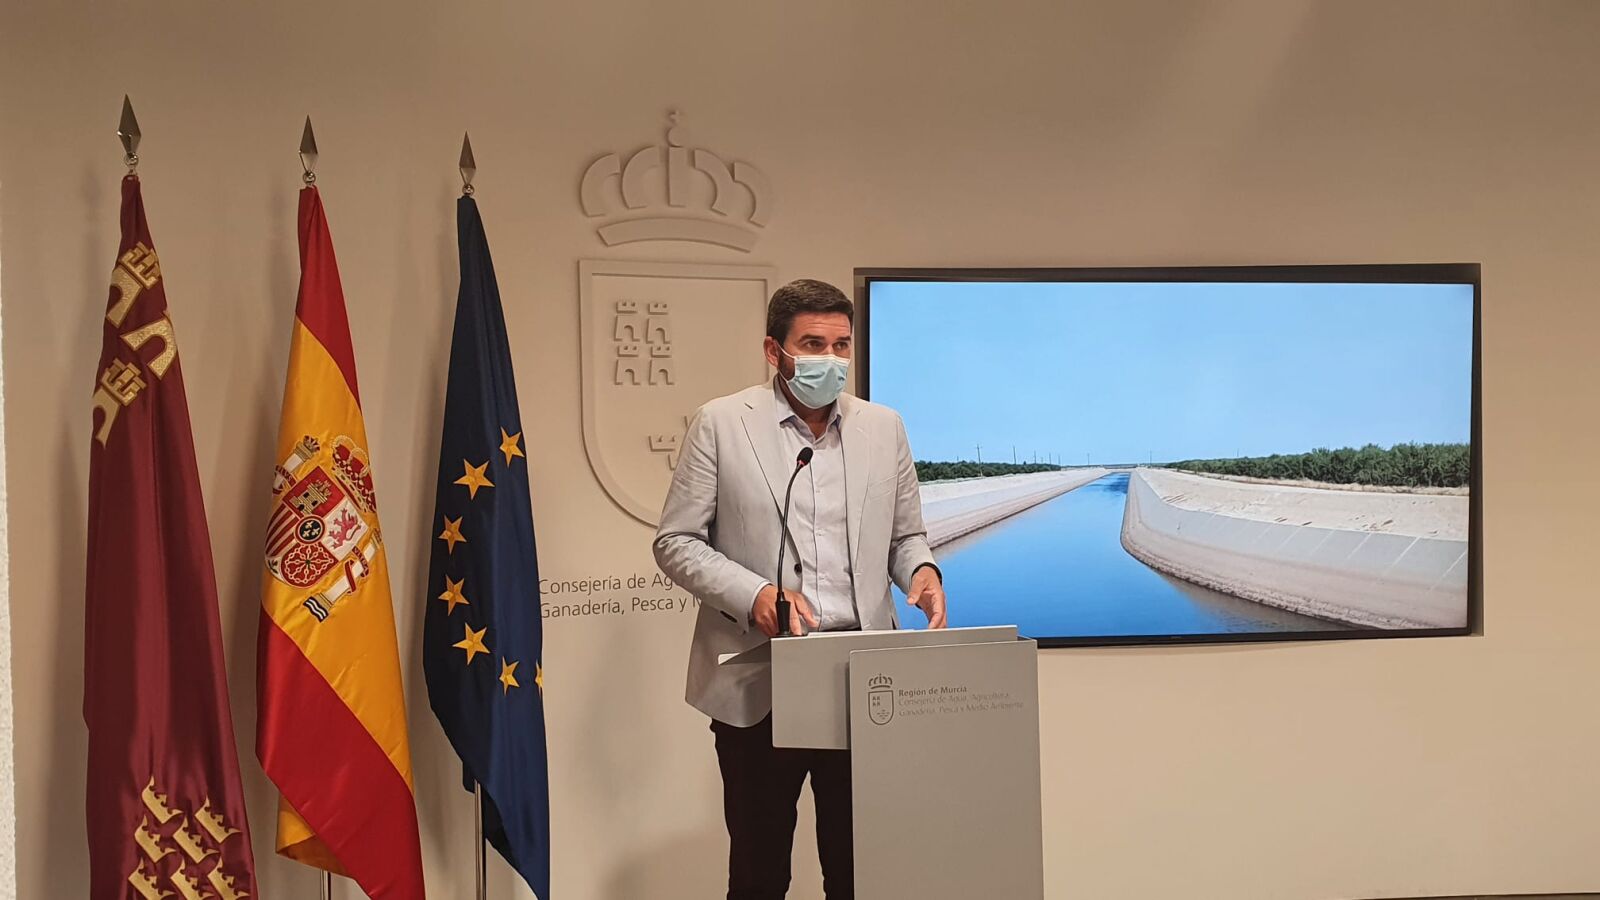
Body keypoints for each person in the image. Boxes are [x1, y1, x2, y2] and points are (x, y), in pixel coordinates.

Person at [653, 278, 947, 900]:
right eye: (813, 344)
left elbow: (905, 536)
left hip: (864, 681)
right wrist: (754, 593)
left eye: (841, 345)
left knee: (862, 874)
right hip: (760, 680)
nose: (831, 360)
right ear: (774, 350)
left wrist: (921, 572)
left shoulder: (883, 428)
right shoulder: (721, 424)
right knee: (760, 877)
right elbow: (676, 542)